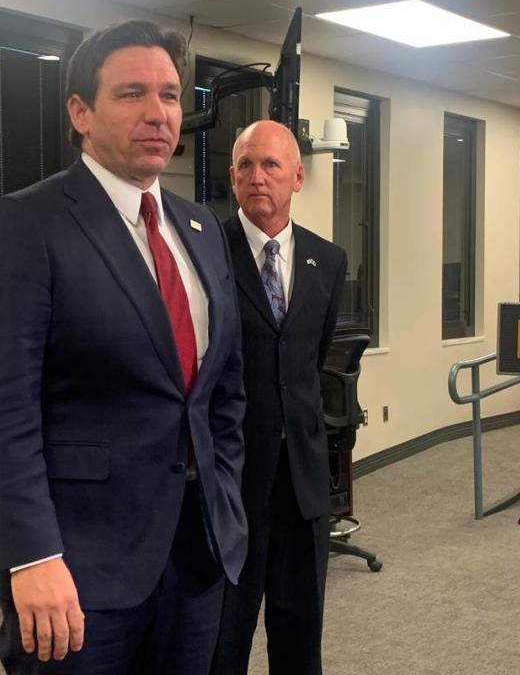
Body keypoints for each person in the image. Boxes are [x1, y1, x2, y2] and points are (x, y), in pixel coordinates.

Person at [0, 20, 247, 675]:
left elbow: (223, 390)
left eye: (171, 95)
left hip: (197, 553)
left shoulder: (200, 229)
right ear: (80, 113)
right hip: (76, 568)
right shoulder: (24, 226)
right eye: (131, 93)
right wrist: (31, 556)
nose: (157, 113)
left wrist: (227, 501)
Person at [210, 120, 347, 675]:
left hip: (303, 487)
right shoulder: (205, 250)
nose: (257, 177)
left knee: (298, 642)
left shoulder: (328, 260)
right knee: (225, 641)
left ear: (298, 177)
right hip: (233, 484)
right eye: (245, 165)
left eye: (270, 166)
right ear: (232, 177)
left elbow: (309, 364)